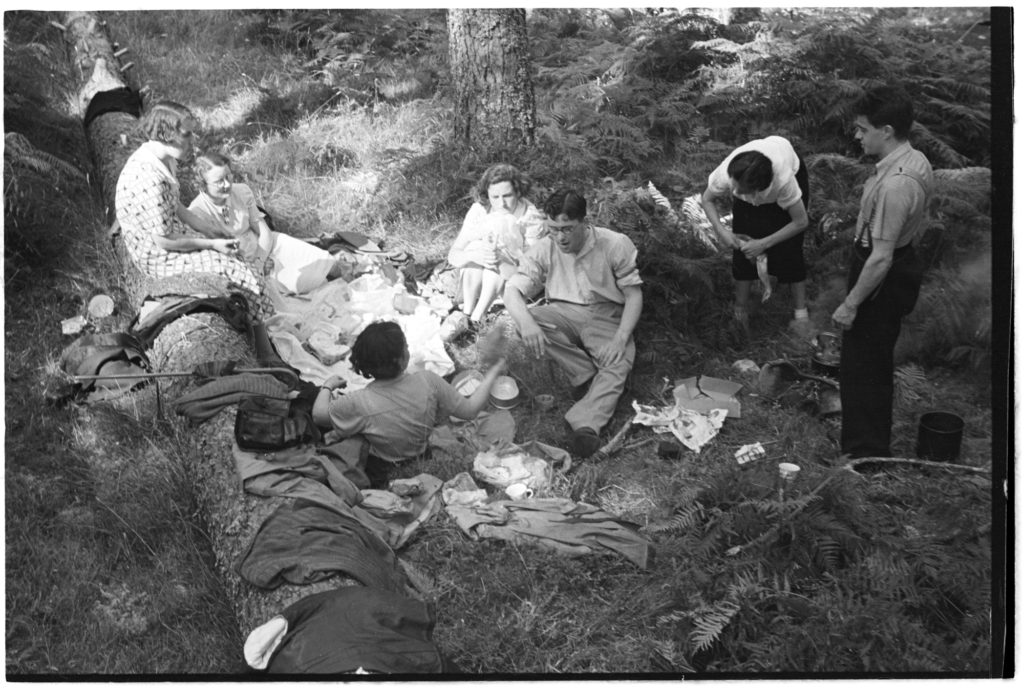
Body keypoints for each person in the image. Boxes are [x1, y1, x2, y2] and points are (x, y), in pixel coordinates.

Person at [114, 101, 276, 352]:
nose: (192, 140)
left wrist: (211, 230)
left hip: (169, 234)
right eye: (186, 134)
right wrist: (212, 244)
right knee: (238, 270)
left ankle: (260, 336)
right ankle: (263, 351)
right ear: (166, 134)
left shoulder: (162, 159)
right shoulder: (148, 178)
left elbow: (175, 206)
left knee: (238, 254)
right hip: (157, 256)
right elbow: (164, 241)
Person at [503, 189, 643, 459]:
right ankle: (584, 375)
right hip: (563, 311)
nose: (560, 237)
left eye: (567, 229)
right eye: (554, 229)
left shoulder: (615, 243)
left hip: (606, 314)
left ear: (584, 222)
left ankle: (585, 424)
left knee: (618, 362)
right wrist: (528, 324)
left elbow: (633, 294)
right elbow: (512, 291)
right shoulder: (545, 247)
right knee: (525, 321)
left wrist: (621, 337)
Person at [831, 86, 933, 458]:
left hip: (882, 275)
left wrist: (851, 304)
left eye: (862, 128)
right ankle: (866, 441)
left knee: (864, 368)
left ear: (886, 130)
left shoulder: (896, 184)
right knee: (870, 360)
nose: (857, 136)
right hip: (896, 264)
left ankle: (865, 454)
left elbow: (880, 258)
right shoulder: (915, 158)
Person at [313, 321, 506, 472]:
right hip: (420, 450)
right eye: (406, 346)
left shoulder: (358, 401)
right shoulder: (428, 380)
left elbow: (318, 416)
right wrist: (493, 371)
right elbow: (470, 410)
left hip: (383, 462)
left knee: (341, 431)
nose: (408, 349)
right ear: (401, 359)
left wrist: (327, 386)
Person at [188, 152, 347, 295]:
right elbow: (214, 256)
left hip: (264, 245)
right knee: (284, 295)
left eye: (228, 176)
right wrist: (254, 269)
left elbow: (264, 232)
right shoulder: (197, 212)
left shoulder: (241, 191)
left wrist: (260, 259)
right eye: (219, 181)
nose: (227, 184)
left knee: (324, 262)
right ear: (203, 185)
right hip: (239, 263)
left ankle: (354, 275)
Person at [699, 136, 811, 333]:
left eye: (739, 190)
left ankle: (800, 314)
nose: (732, 191)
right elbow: (707, 199)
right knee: (742, 243)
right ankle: (740, 312)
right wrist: (722, 231)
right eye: (732, 186)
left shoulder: (784, 182)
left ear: (758, 190)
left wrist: (764, 243)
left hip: (783, 173)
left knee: (790, 247)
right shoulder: (729, 173)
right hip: (752, 179)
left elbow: (800, 222)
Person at [447, 164, 546, 325]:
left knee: (495, 258)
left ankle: (477, 317)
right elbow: (454, 254)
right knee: (475, 249)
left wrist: (502, 260)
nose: (502, 203)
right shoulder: (480, 210)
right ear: (487, 194)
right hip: (479, 278)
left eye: (507, 196)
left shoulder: (529, 217)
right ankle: (467, 313)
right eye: (495, 197)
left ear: (518, 192)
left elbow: (532, 269)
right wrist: (475, 256)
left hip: (516, 278)